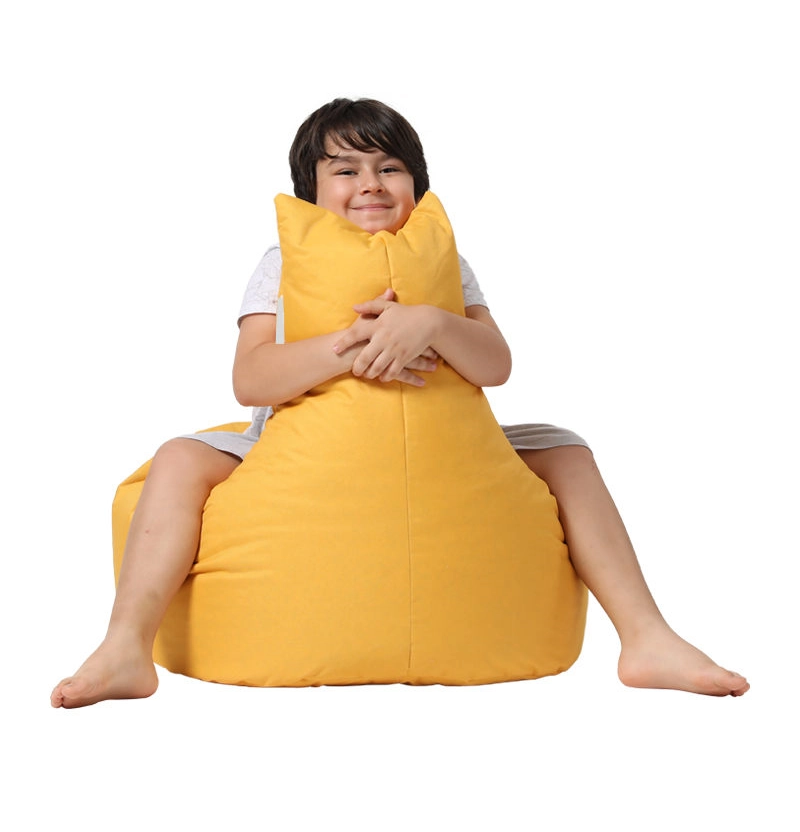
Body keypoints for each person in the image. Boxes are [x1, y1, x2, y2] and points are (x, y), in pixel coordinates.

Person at [51, 98, 749, 708]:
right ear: (310, 192)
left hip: (454, 445)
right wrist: (350, 347)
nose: (370, 184)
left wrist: (433, 324)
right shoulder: (280, 263)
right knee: (178, 456)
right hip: (288, 441)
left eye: (389, 168)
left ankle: (646, 637)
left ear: (418, 185)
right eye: (346, 170)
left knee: (566, 450)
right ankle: (125, 643)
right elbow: (252, 379)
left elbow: (496, 364)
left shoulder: (445, 260)